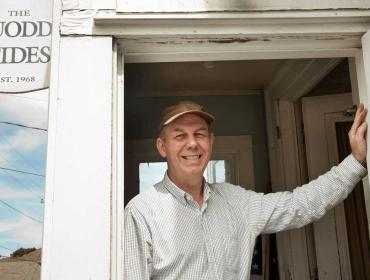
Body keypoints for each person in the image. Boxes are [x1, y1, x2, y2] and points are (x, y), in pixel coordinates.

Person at [124, 101, 368, 280]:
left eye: (200, 134)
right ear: (162, 147)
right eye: (180, 136)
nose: (192, 143)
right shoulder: (142, 212)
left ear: (211, 143)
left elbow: (299, 205)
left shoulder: (236, 201)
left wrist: (355, 161)